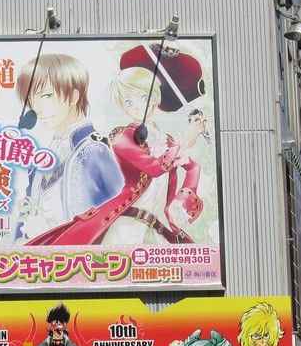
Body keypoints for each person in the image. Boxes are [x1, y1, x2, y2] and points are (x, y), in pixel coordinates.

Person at [24, 46, 208, 247]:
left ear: (155, 98)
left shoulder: (167, 141)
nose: (137, 106)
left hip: (158, 229)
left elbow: (193, 167)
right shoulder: (121, 137)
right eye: (128, 102)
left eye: (144, 98)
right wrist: (188, 140)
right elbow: (155, 168)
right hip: (127, 226)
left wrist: (183, 199)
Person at [13, 54, 122, 243]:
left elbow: (122, 208)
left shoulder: (98, 149)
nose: (37, 107)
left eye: (46, 95)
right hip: (40, 258)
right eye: (30, 98)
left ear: (73, 96)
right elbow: (26, 214)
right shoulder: (42, 157)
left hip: (88, 258)